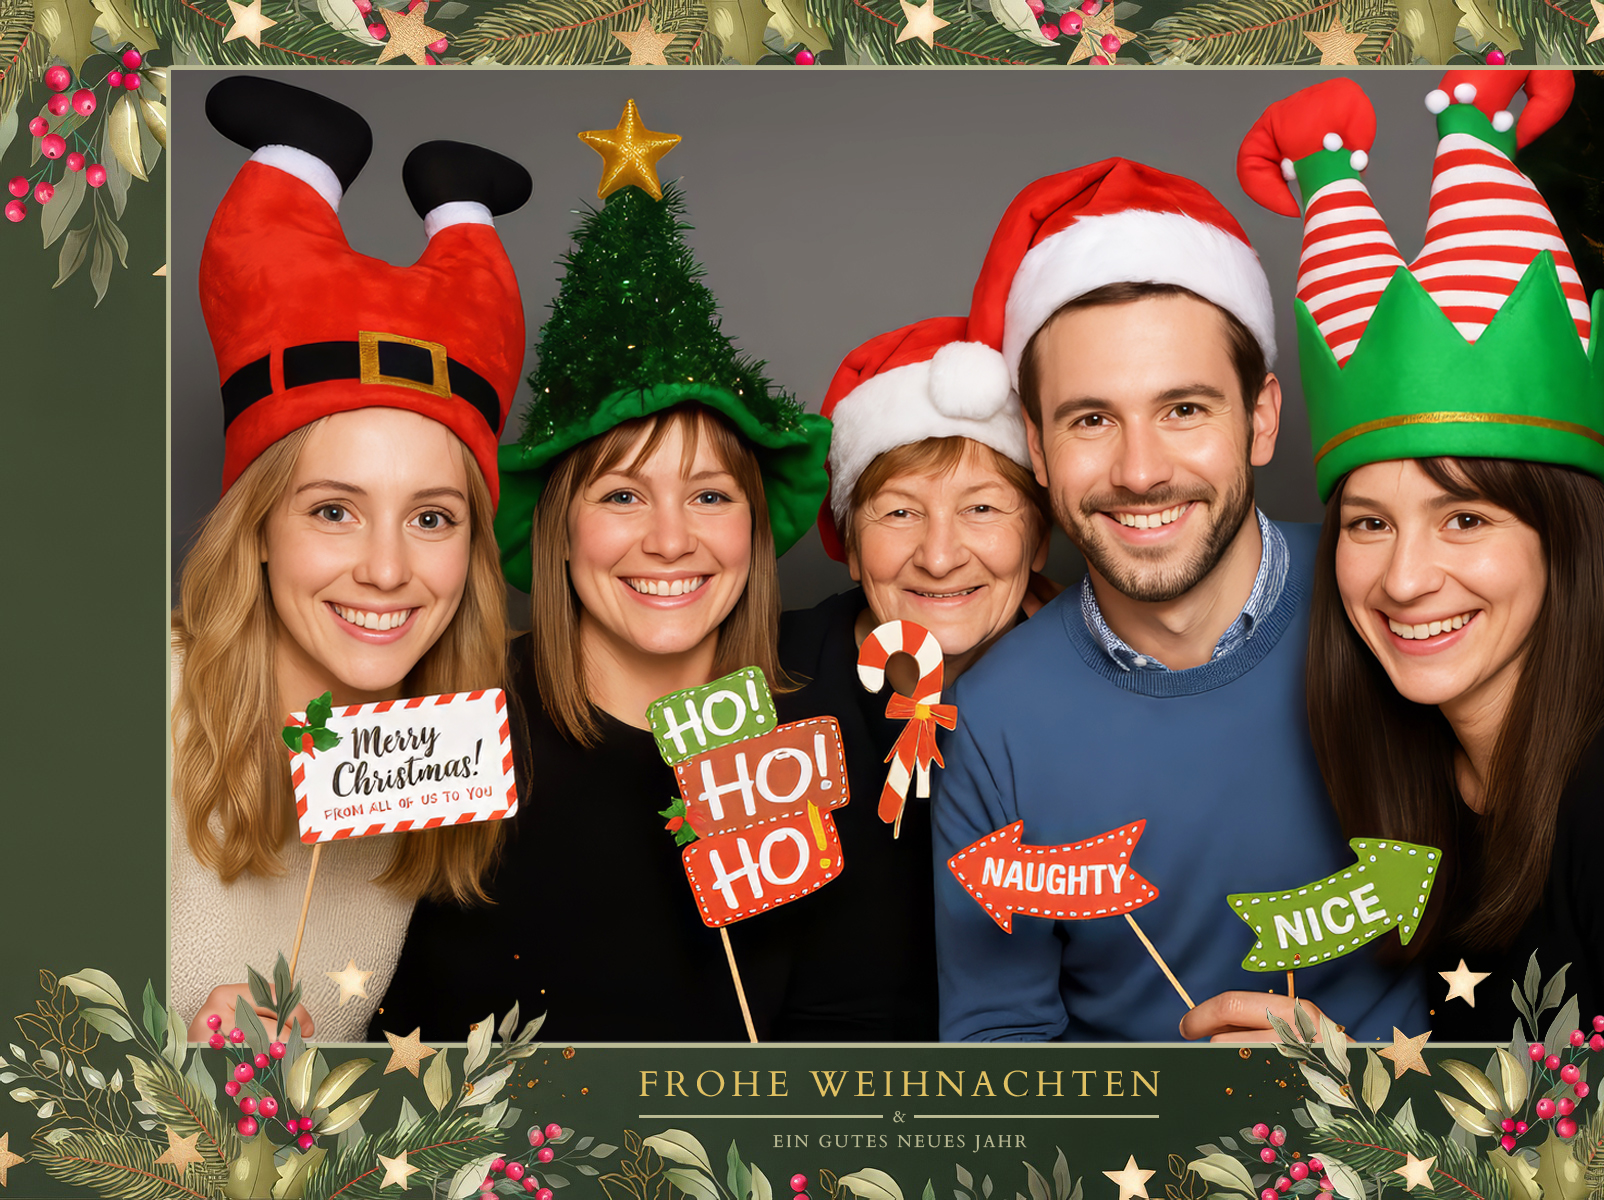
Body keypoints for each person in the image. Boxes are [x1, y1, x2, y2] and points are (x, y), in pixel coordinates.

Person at [930, 158, 1427, 1042]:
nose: (1139, 470)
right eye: (1090, 420)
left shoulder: (1396, 610)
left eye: (1184, 409)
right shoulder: (988, 719)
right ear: (1038, 453)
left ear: (1261, 418)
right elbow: (998, 1048)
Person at [375, 172, 832, 1041]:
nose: (668, 542)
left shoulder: (812, 734)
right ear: (558, 530)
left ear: (755, 529)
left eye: (708, 496)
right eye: (622, 497)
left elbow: (854, 1033)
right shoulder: (440, 732)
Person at [1237, 71, 1604, 1038]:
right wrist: (1348, 1069)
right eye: (1368, 524)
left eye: (1464, 519)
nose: (1403, 579)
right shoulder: (1432, 783)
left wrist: (1362, 1112)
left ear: (1562, 536)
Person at [172, 76, 532, 1041]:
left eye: (432, 519)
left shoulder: (441, 760)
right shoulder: (122, 708)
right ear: (253, 527)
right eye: (334, 511)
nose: (385, 569)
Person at [768, 316, 1054, 1039]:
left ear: (1040, 535)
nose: (937, 555)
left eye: (982, 508)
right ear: (850, 541)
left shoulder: (1097, 686)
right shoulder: (757, 679)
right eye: (898, 511)